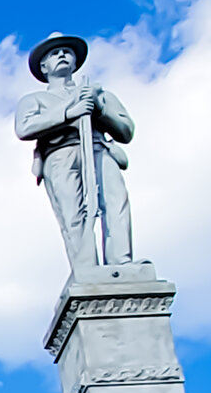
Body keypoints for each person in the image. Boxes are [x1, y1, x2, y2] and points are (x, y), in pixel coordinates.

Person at [16, 34, 136, 273]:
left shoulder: (97, 93)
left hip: (98, 148)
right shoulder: (34, 100)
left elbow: (126, 131)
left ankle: (121, 262)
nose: (61, 55)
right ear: (44, 66)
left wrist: (99, 109)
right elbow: (25, 128)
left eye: (66, 52)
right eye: (54, 53)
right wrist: (70, 111)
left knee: (116, 203)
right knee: (73, 215)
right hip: (60, 154)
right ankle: (86, 268)